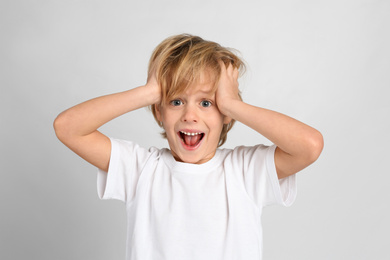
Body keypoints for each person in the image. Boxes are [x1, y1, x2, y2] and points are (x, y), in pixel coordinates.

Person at [54, 34, 323, 260]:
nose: (190, 115)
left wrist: (231, 104)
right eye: (176, 101)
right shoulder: (140, 169)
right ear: (159, 110)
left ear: (225, 113)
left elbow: (309, 146)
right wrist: (149, 92)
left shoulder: (244, 171)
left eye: (206, 103)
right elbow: (67, 128)